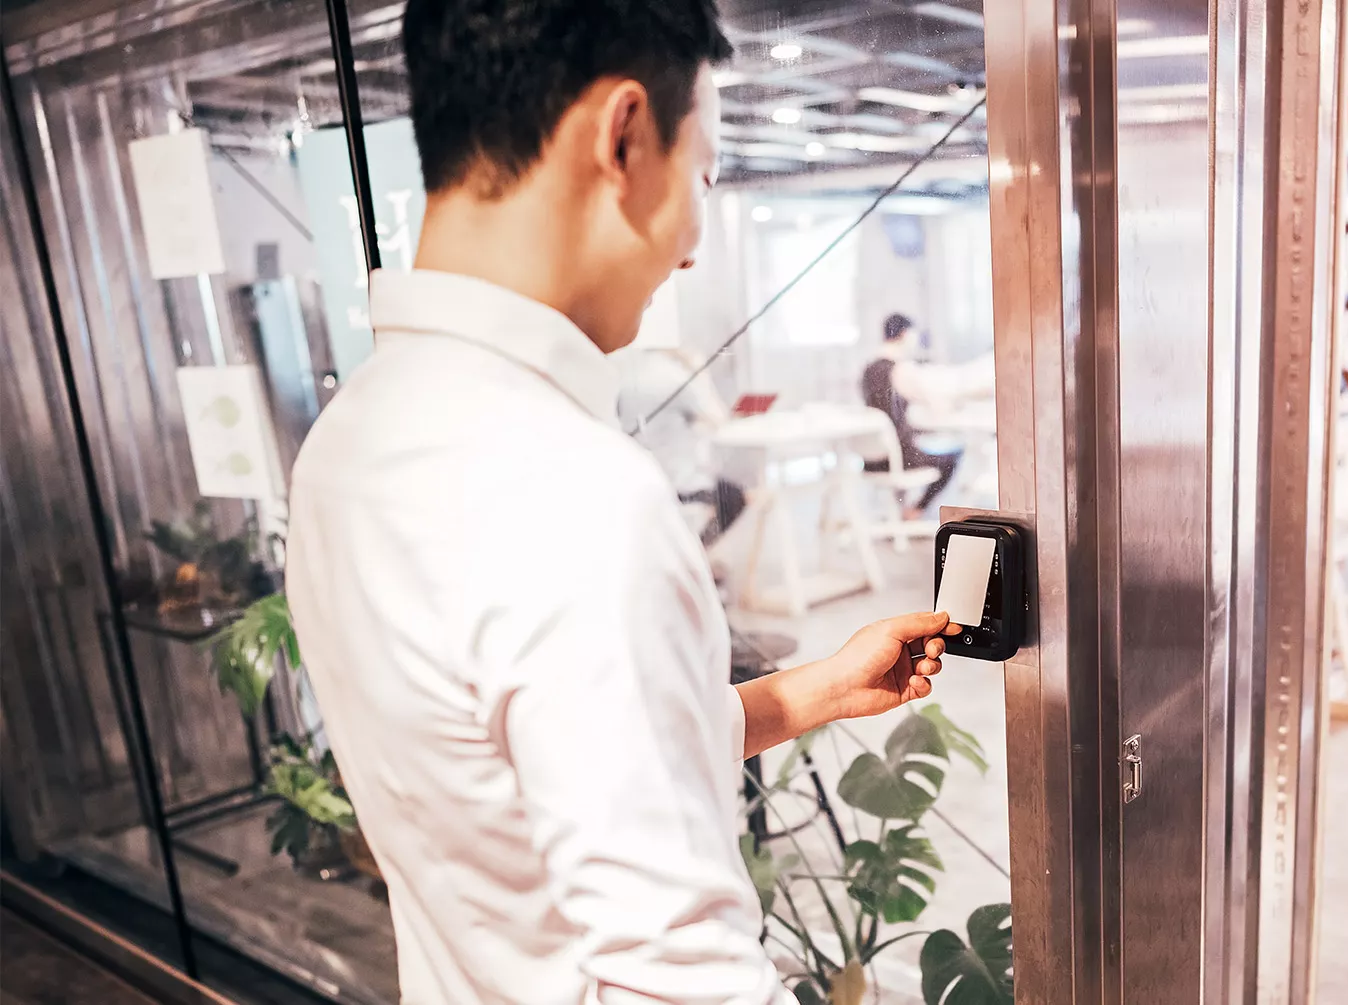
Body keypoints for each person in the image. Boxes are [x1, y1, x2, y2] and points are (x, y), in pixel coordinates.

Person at [283, 3, 957, 1003]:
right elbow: (682, 984)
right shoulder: (575, 498)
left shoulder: (350, 437)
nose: (691, 244)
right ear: (624, 133)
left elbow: (524, 787)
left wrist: (817, 690)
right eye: (706, 175)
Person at [615, 343, 745, 543]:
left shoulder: (625, 373)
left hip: (641, 485)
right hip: (684, 488)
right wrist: (701, 374)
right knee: (737, 498)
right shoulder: (676, 377)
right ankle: (705, 562)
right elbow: (718, 421)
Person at [861, 312, 963, 519]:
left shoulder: (868, 370)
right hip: (898, 457)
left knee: (918, 442)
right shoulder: (901, 369)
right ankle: (916, 510)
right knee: (953, 455)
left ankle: (903, 510)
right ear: (906, 335)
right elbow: (936, 404)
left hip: (873, 457)